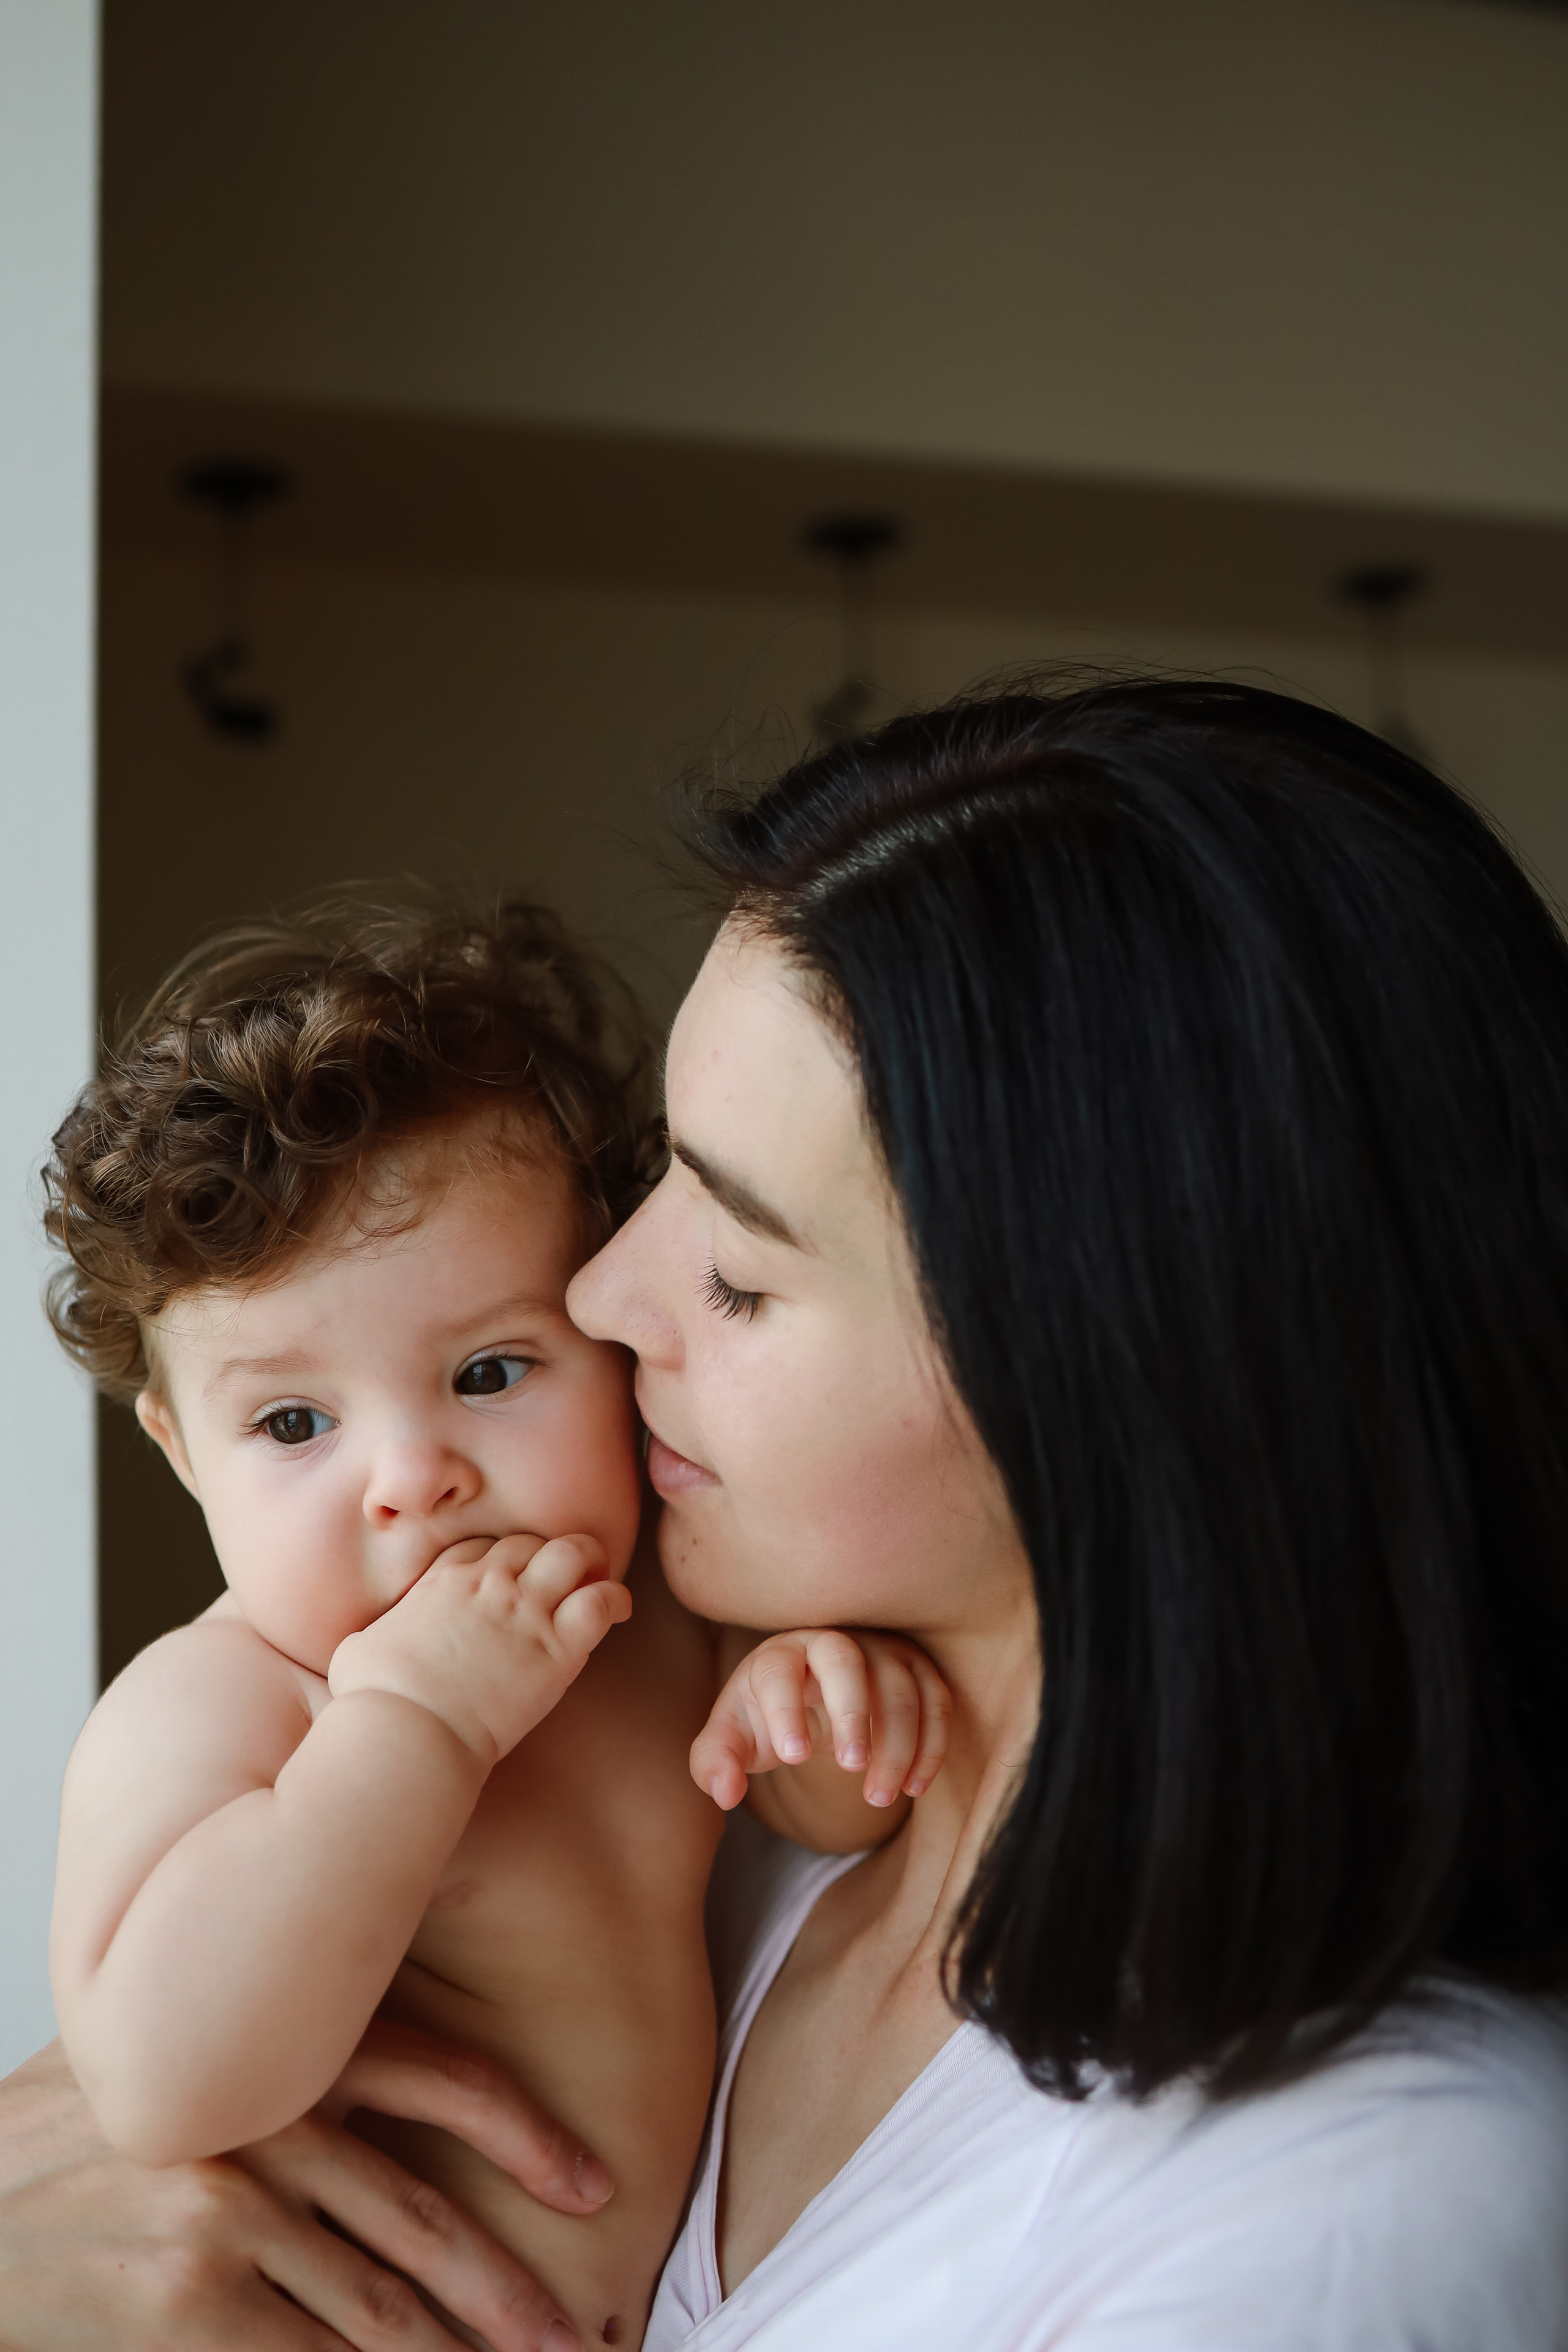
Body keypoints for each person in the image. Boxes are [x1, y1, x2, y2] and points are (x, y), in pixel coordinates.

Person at [5, 676, 1568, 2347]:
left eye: (738, 1271)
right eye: (657, 1175)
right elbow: (159, 2064)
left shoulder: (1351, 2211)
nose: (600, 1297)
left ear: (1106, 1362)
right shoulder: (597, 1770)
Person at [32, 896, 946, 2352]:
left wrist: (810, 1701)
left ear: (607, 1338)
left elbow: (824, 1821)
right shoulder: (233, 1706)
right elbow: (162, 2083)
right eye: (291, 1420)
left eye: (488, 1374)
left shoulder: (639, 1628)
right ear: (179, 1449)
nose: (413, 1477)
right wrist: (413, 1729)